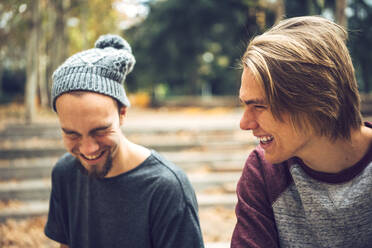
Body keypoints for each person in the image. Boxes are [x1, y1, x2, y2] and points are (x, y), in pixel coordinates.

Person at [44, 34, 204, 248]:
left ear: (122, 114)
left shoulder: (166, 188)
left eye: (100, 131)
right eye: (72, 134)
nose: (87, 148)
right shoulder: (65, 173)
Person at [231, 16, 372, 248]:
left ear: (314, 100)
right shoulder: (263, 171)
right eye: (245, 105)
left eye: (259, 106)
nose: (245, 123)